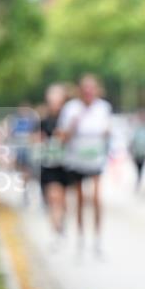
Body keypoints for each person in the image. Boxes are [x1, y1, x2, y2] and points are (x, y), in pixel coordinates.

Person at [58, 74, 112, 258]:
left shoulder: (103, 107)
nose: (89, 92)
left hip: (96, 159)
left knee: (97, 199)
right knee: (80, 200)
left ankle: (98, 240)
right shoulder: (71, 108)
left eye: (92, 88)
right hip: (76, 160)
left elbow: (107, 133)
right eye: (85, 89)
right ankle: (81, 239)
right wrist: (73, 126)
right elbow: (62, 137)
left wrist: (108, 134)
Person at [39, 84, 70, 247]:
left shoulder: (67, 119)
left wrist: (64, 137)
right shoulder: (43, 120)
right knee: (52, 197)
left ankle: (61, 223)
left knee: (61, 199)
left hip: (64, 164)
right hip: (48, 163)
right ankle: (55, 229)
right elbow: (35, 138)